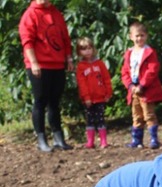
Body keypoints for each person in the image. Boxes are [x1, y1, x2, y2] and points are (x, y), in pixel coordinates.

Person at [19, 0, 73, 152]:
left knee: (54, 102)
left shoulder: (56, 13)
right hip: (39, 65)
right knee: (40, 101)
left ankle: (58, 137)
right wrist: (34, 62)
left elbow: (65, 38)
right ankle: (41, 139)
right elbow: (27, 41)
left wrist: (68, 58)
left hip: (57, 64)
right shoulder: (30, 14)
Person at [121, 22, 162, 149]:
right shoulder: (129, 53)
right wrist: (130, 85)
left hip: (146, 89)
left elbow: (152, 70)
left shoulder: (149, 52)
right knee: (136, 115)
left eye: (142, 35)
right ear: (131, 37)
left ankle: (153, 139)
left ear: (146, 36)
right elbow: (124, 71)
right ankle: (137, 140)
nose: (139, 38)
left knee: (149, 114)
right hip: (133, 89)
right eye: (136, 36)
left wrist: (142, 85)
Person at [75, 37, 113, 149]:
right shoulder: (81, 67)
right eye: (83, 49)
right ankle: (90, 142)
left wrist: (108, 93)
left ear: (93, 49)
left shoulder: (100, 64)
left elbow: (106, 78)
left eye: (89, 48)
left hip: (100, 97)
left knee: (101, 118)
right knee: (90, 119)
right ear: (79, 51)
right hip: (88, 99)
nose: (87, 51)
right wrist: (86, 97)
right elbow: (82, 83)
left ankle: (103, 141)